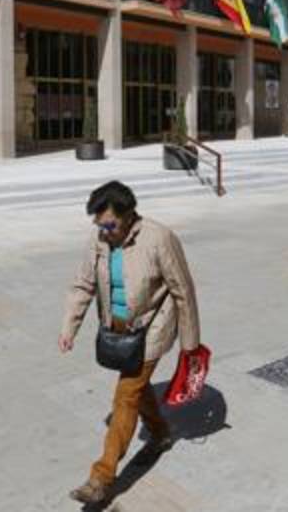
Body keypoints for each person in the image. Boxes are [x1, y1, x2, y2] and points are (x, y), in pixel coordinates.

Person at [59, 181, 202, 505]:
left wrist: (190, 345)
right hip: (118, 330)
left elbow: (183, 290)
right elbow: (83, 284)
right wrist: (70, 327)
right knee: (137, 390)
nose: (103, 231)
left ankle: (101, 478)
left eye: (109, 224)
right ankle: (161, 432)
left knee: (125, 396)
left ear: (128, 216)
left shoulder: (159, 238)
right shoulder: (99, 238)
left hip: (152, 329)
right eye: (98, 224)